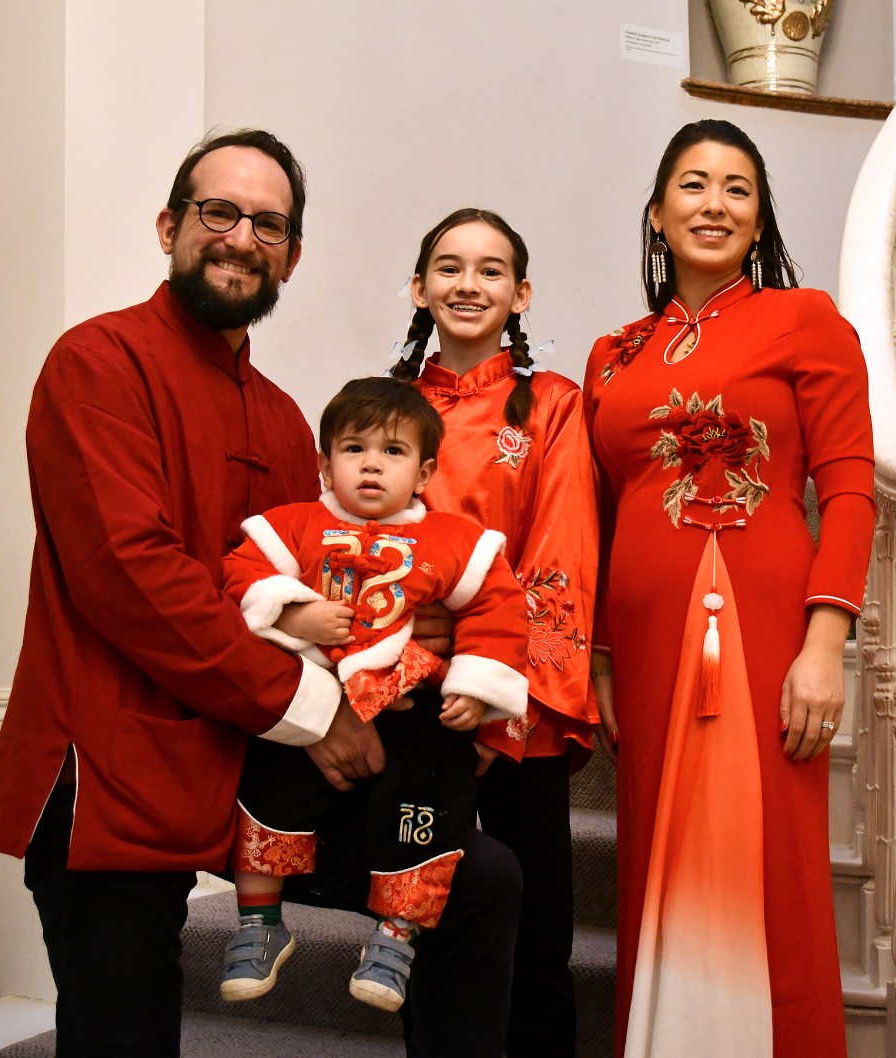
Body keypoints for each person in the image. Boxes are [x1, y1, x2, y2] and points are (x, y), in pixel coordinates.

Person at [0, 130, 521, 1058]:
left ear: (291, 257)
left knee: (482, 879)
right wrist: (314, 711)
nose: (240, 237)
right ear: (169, 226)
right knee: (123, 1035)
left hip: (244, 762)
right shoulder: (96, 363)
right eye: (217, 212)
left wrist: (416, 629)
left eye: (269, 224)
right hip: (113, 769)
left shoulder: (277, 416)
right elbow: (132, 576)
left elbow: (318, 573)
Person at [582, 119, 875, 1058]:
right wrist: (597, 658)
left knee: (771, 862)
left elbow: (850, 485)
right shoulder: (613, 354)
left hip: (767, 626)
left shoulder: (806, 319)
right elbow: (589, 514)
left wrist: (825, 645)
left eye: (738, 188)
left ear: (759, 219)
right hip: (645, 637)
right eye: (695, 185)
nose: (716, 204)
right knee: (656, 865)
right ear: (658, 213)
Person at [217, 375, 528, 1013]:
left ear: (424, 472)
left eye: (392, 452)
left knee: (433, 790)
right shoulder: (291, 528)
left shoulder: (455, 542)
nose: (370, 465)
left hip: (407, 701)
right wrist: (291, 614)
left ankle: (397, 934)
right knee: (263, 773)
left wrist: (476, 685)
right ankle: (258, 923)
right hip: (313, 698)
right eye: (353, 448)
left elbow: (499, 610)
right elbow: (236, 578)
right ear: (324, 464)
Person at [390, 208, 600, 1057]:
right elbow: (357, 550)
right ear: (419, 288)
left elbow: (561, 560)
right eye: (448, 267)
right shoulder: (388, 409)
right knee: (420, 922)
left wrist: (497, 700)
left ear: (521, 293)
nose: (467, 284)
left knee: (536, 939)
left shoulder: (552, 407)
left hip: (517, 715)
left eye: (489, 270)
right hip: (409, 697)